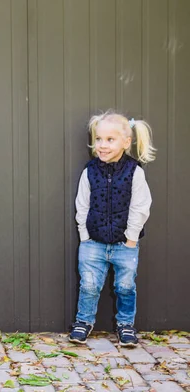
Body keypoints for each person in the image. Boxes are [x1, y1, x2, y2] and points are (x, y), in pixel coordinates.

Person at [69, 111, 156, 347]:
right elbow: (82, 204)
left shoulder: (134, 172)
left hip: (124, 245)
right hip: (93, 243)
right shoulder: (90, 171)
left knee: (125, 286)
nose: (102, 145)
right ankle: (83, 321)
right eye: (98, 139)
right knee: (88, 285)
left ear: (126, 142)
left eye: (110, 140)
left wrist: (131, 238)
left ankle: (125, 324)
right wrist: (84, 237)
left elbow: (141, 206)